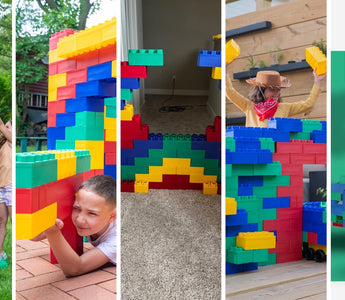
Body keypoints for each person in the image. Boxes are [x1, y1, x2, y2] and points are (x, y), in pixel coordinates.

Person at [33, 175, 116, 277]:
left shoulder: (116, 241)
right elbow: (34, 237)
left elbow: (74, 269)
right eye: (77, 208)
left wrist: (53, 231)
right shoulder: (83, 218)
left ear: (112, 216)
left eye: (92, 213)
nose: (80, 219)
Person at [226, 67, 326, 127]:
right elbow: (230, 92)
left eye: (278, 89)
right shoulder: (249, 107)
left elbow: (308, 105)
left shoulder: (284, 108)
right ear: (261, 90)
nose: (276, 93)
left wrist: (317, 81)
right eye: (271, 89)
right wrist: (225, 71)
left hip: (276, 156)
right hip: (253, 154)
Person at [0, 118, 12, 268]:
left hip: (10, 186)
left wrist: (3, 127)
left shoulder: (10, 142)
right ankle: (0, 253)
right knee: (1, 221)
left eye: (10, 126)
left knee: (14, 222)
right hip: (0, 187)